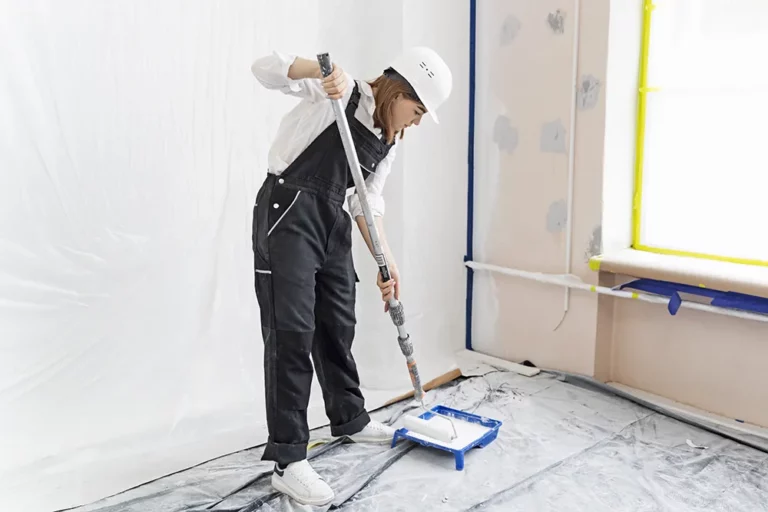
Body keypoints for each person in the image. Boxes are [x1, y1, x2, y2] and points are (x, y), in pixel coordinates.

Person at [249, 47, 452, 506]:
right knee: (293, 333)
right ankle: (289, 459)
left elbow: (366, 199)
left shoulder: (390, 138)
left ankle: (349, 418)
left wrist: (387, 259)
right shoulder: (337, 92)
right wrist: (319, 71)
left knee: (338, 324)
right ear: (399, 90)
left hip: (334, 220)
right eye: (416, 110)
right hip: (290, 214)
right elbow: (263, 68)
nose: (417, 122)